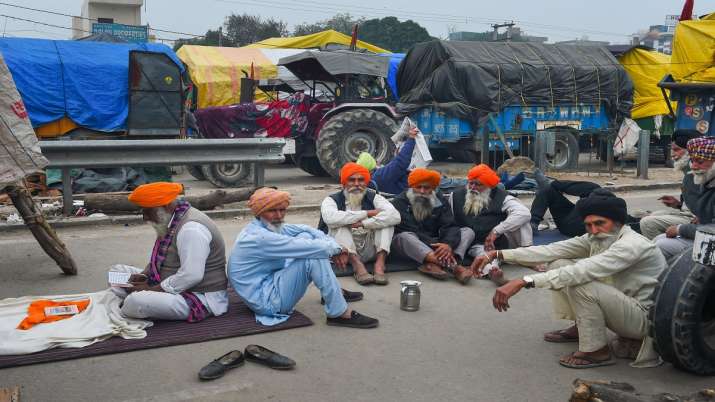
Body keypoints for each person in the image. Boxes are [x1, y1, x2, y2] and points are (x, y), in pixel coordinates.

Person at [474, 189, 667, 368]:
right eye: (589, 225)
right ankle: (582, 327)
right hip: (625, 306)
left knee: (580, 283)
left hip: (645, 320)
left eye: (600, 223)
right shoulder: (597, 237)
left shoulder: (630, 244)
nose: (593, 230)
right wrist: (498, 254)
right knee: (559, 263)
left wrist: (524, 281)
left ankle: (596, 351)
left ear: (617, 223)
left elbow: (582, 271)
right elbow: (551, 250)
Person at [228, 187, 379, 328]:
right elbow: (314, 248)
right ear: (259, 213)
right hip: (265, 300)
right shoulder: (259, 237)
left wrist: (336, 248)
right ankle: (339, 313)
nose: (279, 215)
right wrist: (339, 249)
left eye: (282, 210)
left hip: (268, 283)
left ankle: (332, 292)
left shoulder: (267, 226)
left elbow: (308, 230)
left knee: (306, 236)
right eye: (272, 211)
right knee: (313, 255)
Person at [109, 182, 229, 322]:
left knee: (136, 301)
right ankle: (130, 299)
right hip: (167, 282)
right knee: (115, 272)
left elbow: (191, 275)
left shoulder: (191, 229)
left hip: (200, 295)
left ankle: (127, 301)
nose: (145, 218)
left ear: (165, 206)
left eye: (148, 211)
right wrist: (143, 275)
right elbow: (161, 258)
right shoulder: (170, 218)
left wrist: (149, 290)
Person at [319, 162, 401, 286]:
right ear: (344, 183)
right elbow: (330, 218)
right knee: (338, 224)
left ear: (366, 182)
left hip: (371, 247)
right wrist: (368, 213)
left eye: (361, 180)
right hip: (345, 251)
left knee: (387, 223)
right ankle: (357, 265)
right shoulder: (331, 200)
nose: (357, 184)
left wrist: (364, 223)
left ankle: (380, 264)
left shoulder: (374, 197)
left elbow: (395, 216)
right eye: (352, 180)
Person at [390, 168, 474, 284]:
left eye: (427, 188)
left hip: (438, 242)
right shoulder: (400, 202)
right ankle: (454, 267)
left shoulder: (439, 198)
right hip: (415, 243)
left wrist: (448, 244)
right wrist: (439, 247)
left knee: (468, 231)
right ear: (411, 187)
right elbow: (412, 230)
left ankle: (431, 263)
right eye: (418, 187)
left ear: (433, 189)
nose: (422, 191)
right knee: (405, 237)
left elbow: (449, 224)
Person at [655, 136, 715, 261]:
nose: (693, 166)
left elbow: (712, 230)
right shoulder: (707, 181)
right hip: (706, 236)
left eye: (700, 161)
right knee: (659, 239)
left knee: (661, 245)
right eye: (692, 161)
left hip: (710, 243)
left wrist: (679, 229)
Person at [639, 130, 700, 239]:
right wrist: (677, 204)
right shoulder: (687, 172)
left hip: (697, 222)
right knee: (649, 215)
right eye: (671, 150)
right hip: (686, 215)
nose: (672, 154)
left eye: (676, 150)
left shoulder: (704, 173)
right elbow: (695, 204)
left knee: (647, 223)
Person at [356, 126, 417, 195]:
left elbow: (393, 168)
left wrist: (396, 156)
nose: (378, 161)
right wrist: (411, 139)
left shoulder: (372, 179)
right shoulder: (379, 176)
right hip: (412, 189)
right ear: (372, 164)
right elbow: (401, 162)